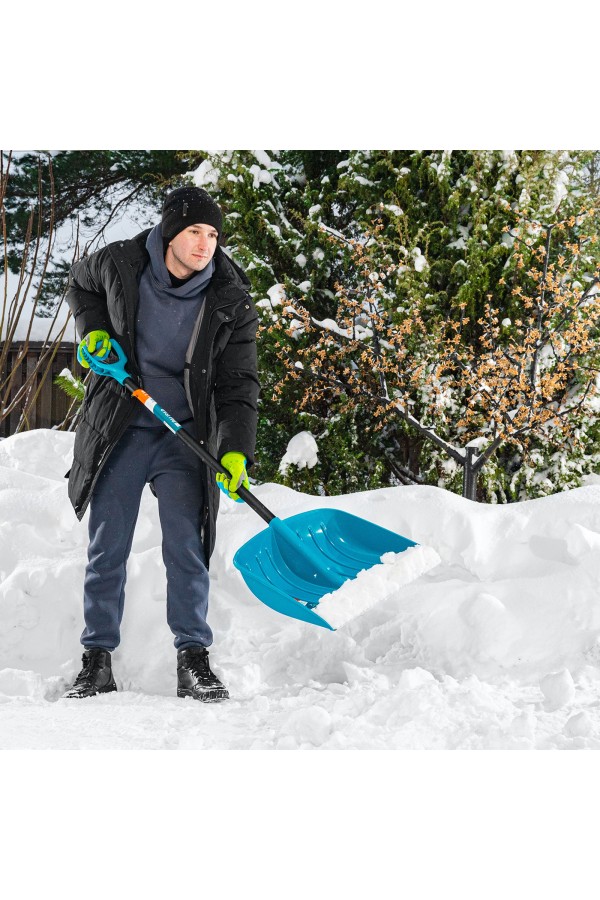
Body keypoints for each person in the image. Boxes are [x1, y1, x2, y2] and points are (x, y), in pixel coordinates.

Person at [62, 186, 259, 702]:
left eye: (213, 234)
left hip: (184, 434)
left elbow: (240, 383)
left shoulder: (230, 297)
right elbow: (79, 287)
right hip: (123, 423)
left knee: (187, 550)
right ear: (170, 230)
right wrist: (93, 333)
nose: (204, 244)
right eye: (195, 231)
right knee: (108, 548)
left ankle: (194, 658)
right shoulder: (121, 263)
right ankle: (96, 660)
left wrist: (235, 449)